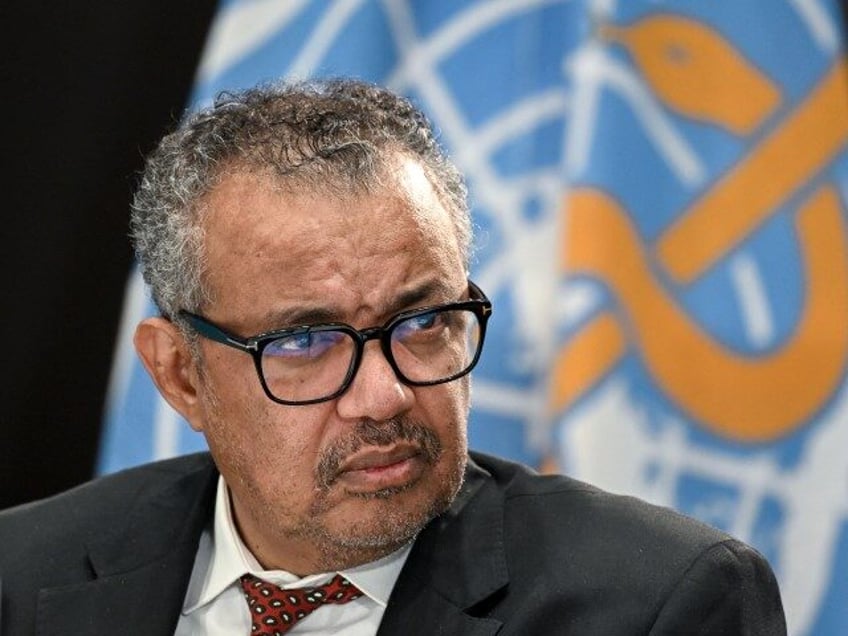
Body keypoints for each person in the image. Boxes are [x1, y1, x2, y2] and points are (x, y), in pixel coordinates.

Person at [0, 79, 786, 635]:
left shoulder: (661, 604)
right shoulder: (22, 574)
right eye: (305, 341)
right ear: (179, 374)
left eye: (422, 322)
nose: (384, 397)